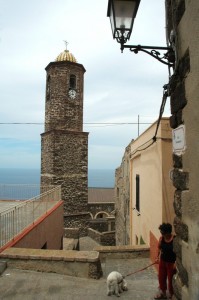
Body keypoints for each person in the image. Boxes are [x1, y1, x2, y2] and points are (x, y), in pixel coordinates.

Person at [154, 223, 176, 299]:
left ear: (168, 232)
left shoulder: (174, 240)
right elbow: (159, 248)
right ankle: (163, 292)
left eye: (162, 232)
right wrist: (157, 257)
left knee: (170, 280)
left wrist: (175, 264)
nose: (161, 234)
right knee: (161, 277)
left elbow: (178, 253)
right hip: (163, 261)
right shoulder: (161, 238)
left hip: (171, 263)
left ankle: (171, 294)